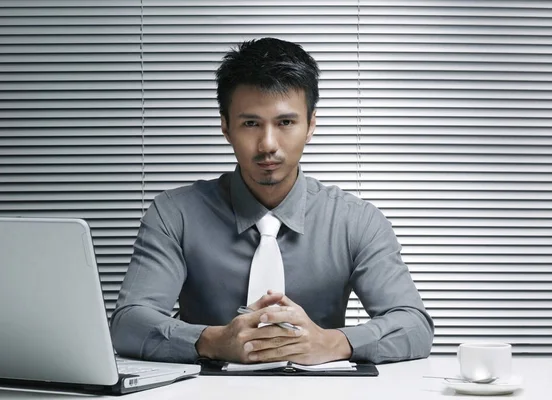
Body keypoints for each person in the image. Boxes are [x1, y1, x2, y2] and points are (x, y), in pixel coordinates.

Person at [110, 37, 434, 365]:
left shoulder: (356, 221)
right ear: (225, 126)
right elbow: (128, 324)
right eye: (251, 123)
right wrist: (213, 340)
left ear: (311, 125)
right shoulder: (174, 215)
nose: (268, 144)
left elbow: (414, 326)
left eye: (285, 123)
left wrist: (332, 343)